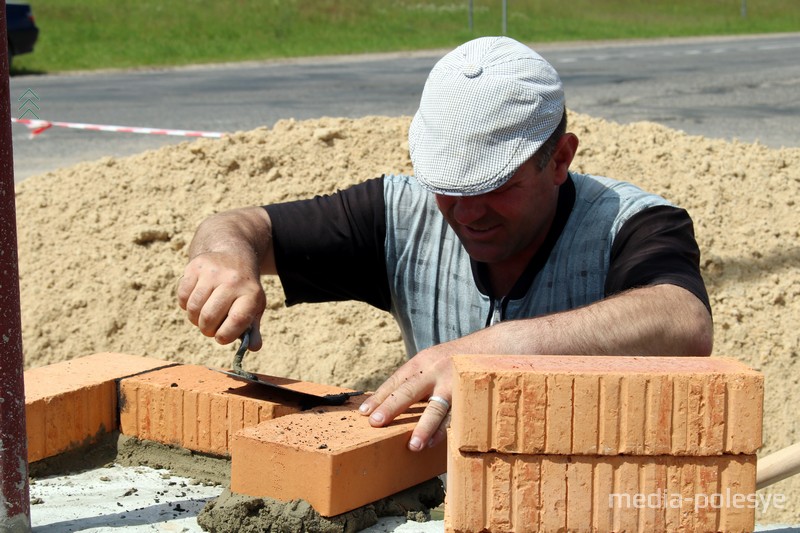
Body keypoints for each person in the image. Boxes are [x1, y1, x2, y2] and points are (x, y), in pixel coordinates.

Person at [177, 36, 713, 454]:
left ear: (560, 159)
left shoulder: (632, 224)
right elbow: (241, 226)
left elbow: (682, 320)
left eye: (495, 186)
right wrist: (226, 256)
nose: (468, 211)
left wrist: (496, 350)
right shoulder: (399, 214)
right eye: (450, 187)